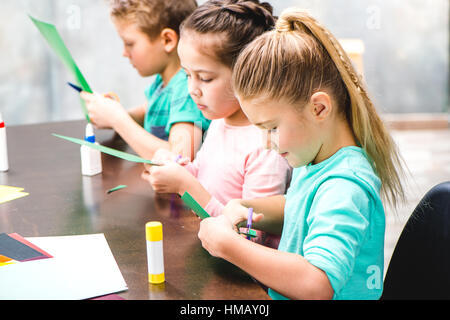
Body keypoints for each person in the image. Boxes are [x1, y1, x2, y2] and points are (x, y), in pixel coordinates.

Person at [197, 7, 406, 299]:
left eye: (271, 127)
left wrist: (229, 246)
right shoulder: (316, 157)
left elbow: (317, 283)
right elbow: (302, 207)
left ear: (319, 108)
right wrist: (245, 208)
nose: (266, 143)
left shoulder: (345, 185)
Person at [141, 0, 291, 247]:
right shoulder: (220, 120)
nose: (192, 90)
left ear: (248, 75)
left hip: (243, 280)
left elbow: (253, 236)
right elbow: (205, 174)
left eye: (205, 78)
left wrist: (185, 186)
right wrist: (175, 170)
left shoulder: (267, 145)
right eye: (187, 75)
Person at [81, 0, 210, 160]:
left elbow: (179, 158)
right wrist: (112, 113)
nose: (124, 52)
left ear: (167, 40)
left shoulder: (187, 90)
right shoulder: (164, 82)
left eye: (129, 43)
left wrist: (117, 119)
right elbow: (149, 110)